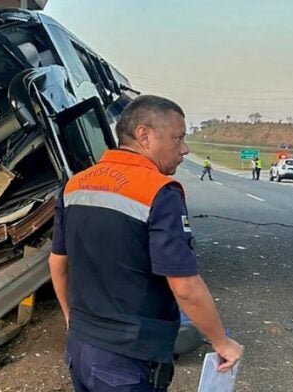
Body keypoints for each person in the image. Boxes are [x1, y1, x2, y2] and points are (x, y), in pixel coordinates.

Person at [49, 95, 242, 391]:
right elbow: (186, 288)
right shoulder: (160, 192)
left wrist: (71, 320)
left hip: (81, 349)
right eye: (178, 138)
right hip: (127, 359)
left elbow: (58, 262)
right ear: (144, 135)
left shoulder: (75, 185)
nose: (184, 149)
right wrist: (221, 342)